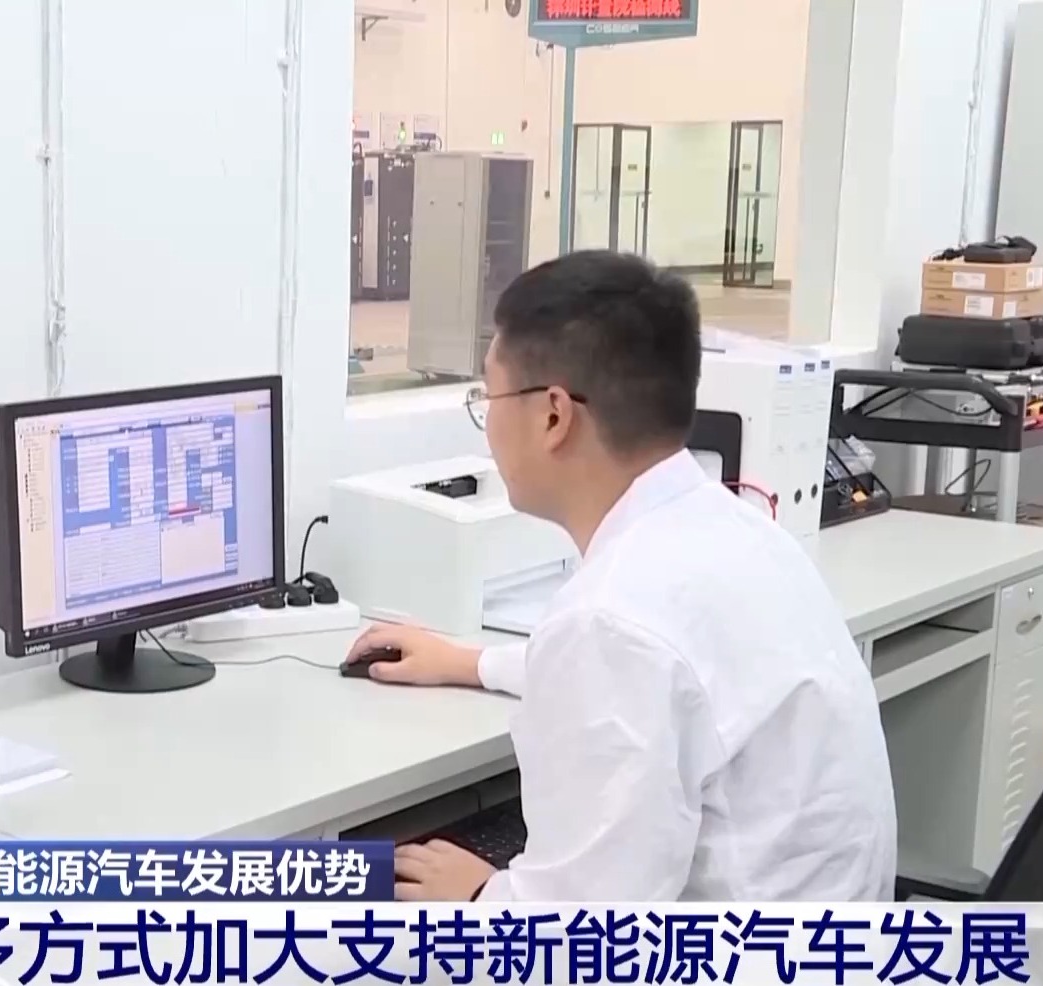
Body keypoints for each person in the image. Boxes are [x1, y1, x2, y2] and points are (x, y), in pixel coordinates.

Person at [353, 250, 898, 902]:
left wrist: (479, 896)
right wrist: (471, 663)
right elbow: (670, 672)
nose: (487, 421)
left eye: (488, 397)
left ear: (553, 415)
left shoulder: (611, 621)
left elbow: (579, 937)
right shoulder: (739, 533)